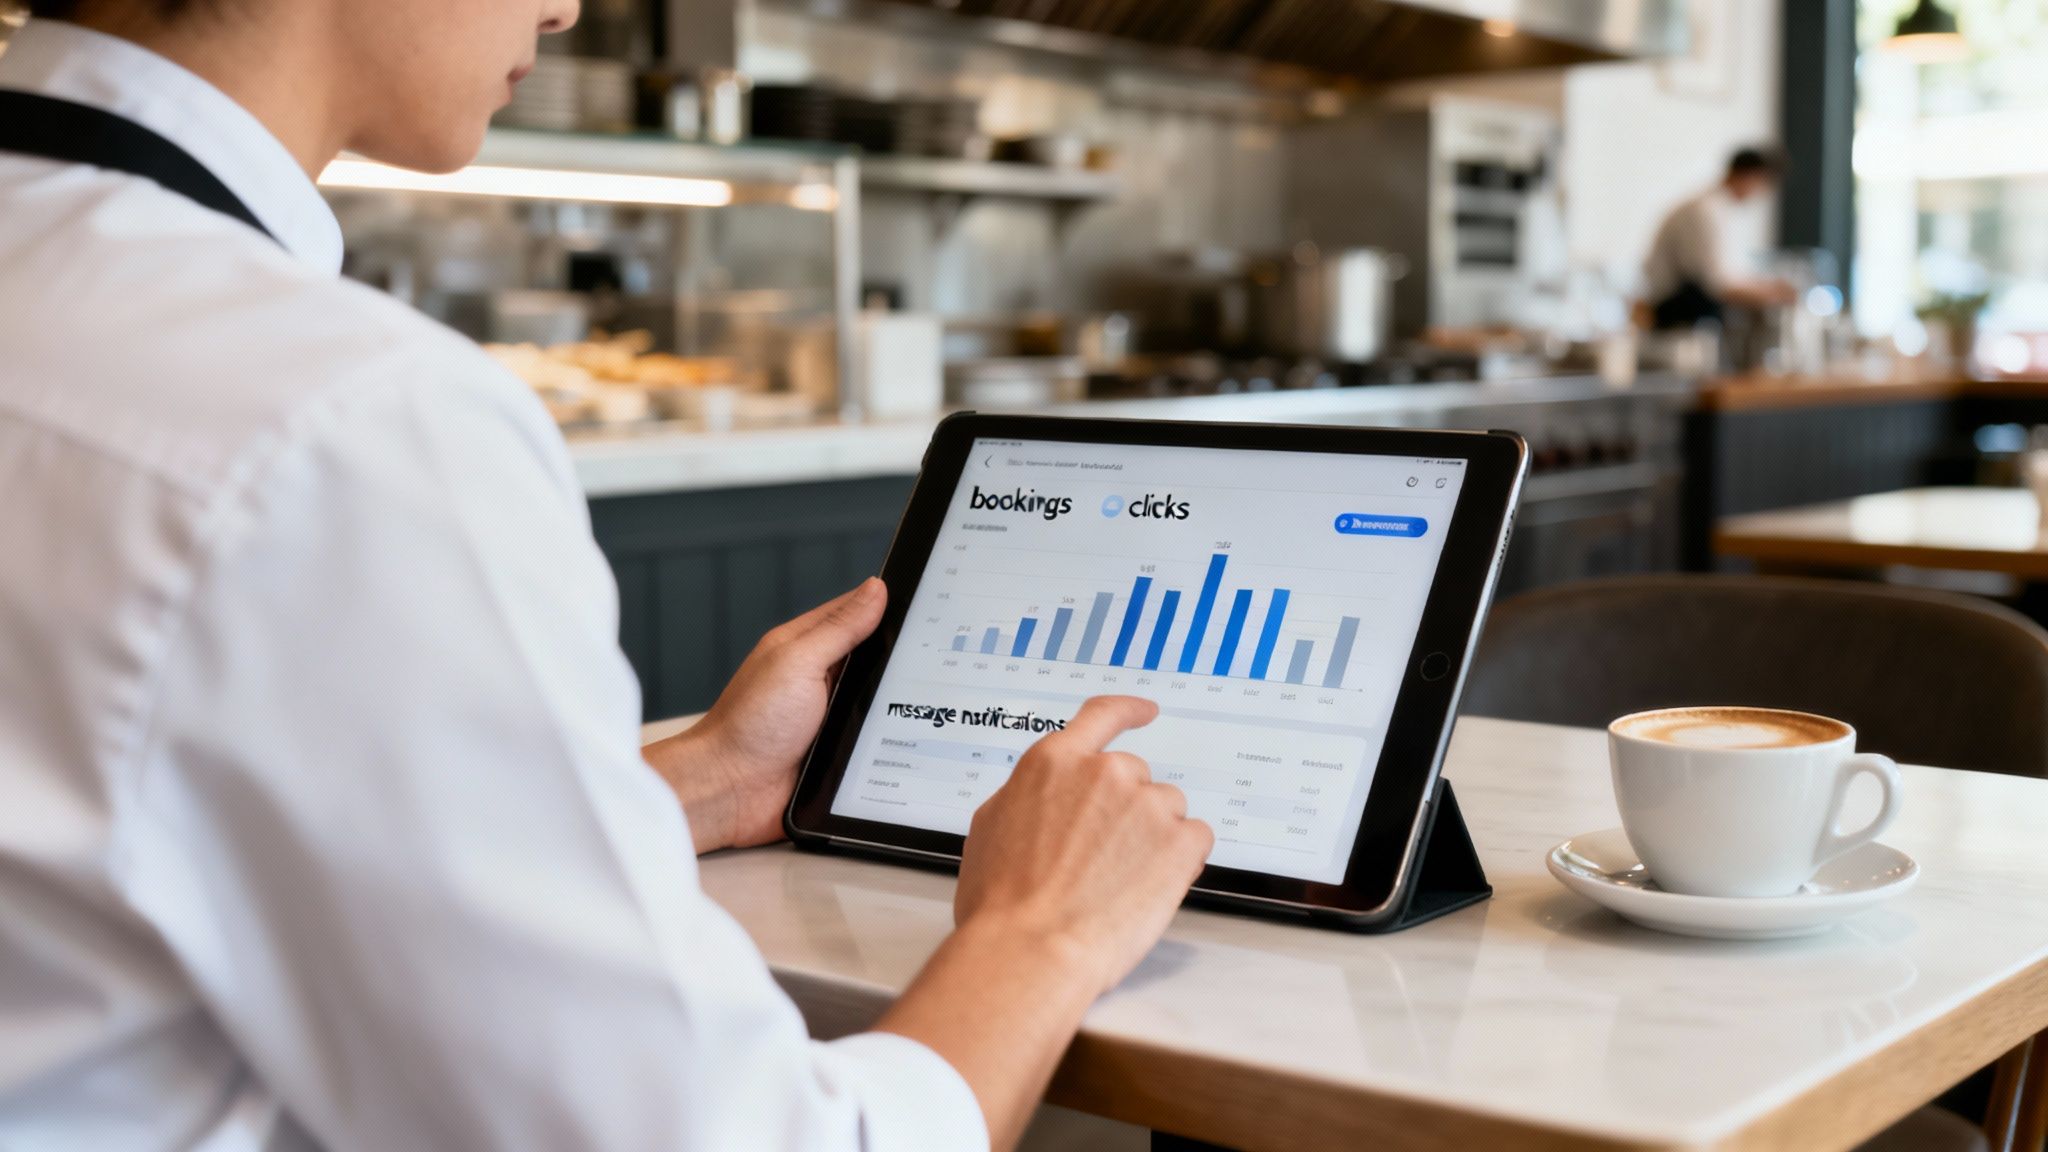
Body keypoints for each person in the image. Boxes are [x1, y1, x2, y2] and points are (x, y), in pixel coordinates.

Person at [0, 2, 1214, 1150]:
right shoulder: (343, 421)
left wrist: (692, 784)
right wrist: (1043, 928)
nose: (569, 8)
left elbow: (128, 821)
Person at [1641, 147, 1800, 331]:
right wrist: (1770, 293)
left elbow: (1731, 274)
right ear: (1750, 176)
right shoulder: (1704, 211)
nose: (1762, 194)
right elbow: (1715, 283)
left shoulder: (1723, 210)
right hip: (1676, 315)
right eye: (1764, 184)